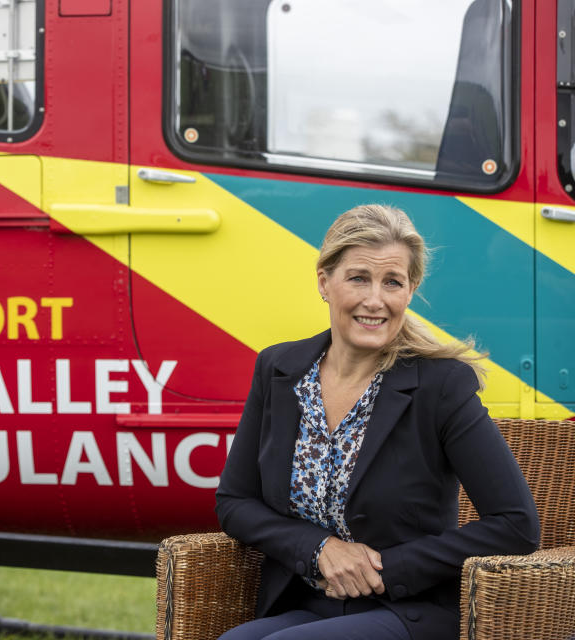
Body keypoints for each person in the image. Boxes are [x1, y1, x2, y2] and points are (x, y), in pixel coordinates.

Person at [215, 204, 539, 640]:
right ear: (324, 282)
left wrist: (385, 570)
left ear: (410, 290)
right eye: (358, 278)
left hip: (410, 608)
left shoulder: (442, 386)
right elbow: (235, 501)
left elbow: (516, 523)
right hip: (309, 603)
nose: (375, 300)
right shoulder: (278, 369)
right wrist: (318, 548)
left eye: (392, 282)